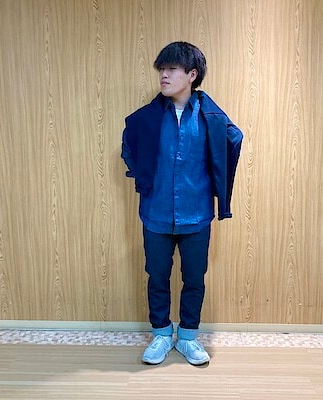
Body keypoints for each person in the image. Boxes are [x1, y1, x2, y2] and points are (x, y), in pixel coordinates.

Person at [121, 41, 243, 365]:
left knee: (194, 279)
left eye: (172, 68)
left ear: (191, 75)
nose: (164, 75)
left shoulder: (210, 117)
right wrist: (142, 175)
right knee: (157, 276)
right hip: (156, 213)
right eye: (161, 69)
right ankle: (162, 334)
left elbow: (234, 140)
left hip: (197, 215)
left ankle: (188, 337)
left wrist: (217, 182)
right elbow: (128, 145)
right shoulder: (148, 118)